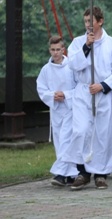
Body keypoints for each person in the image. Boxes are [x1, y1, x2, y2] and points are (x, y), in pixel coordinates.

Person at [62, 6, 112, 190]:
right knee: (81, 131)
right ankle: (82, 172)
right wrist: (86, 47)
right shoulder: (78, 42)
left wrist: (103, 85)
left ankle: (100, 173)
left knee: (102, 134)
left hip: (104, 93)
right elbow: (73, 64)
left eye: (91, 21)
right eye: (85, 22)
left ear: (100, 21)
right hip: (84, 92)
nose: (88, 25)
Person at [36, 35, 77, 187]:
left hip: (70, 108)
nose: (55, 53)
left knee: (67, 139)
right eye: (52, 50)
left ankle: (61, 173)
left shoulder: (71, 67)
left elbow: (79, 87)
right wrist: (52, 95)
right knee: (60, 141)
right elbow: (41, 88)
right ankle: (71, 173)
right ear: (49, 50)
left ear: (63, 49)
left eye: (58, 49)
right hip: (56, 109)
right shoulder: (46, 70)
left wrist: (65, 94)